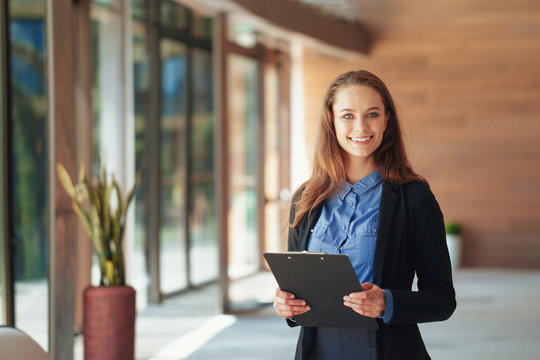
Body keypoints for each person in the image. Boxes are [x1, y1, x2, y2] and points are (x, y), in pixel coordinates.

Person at [273, 70, 456, 360]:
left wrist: (387, 302)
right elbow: (296, 290)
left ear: (386, 120)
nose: (360, 126)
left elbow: (442, 300)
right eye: (347, 115)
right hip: (317, 350)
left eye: (372, 114)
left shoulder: (415, 198)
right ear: (331, 121)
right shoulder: (305, 199)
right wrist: (287, 305)